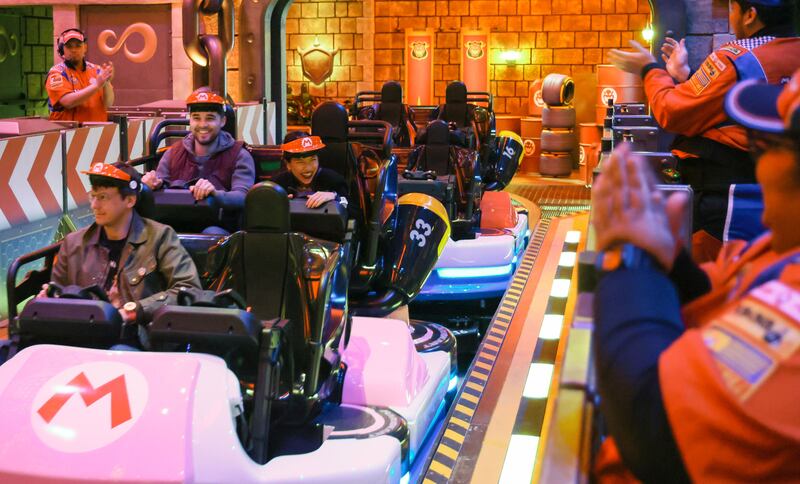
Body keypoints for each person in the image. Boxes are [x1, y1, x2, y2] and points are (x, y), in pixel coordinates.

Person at [590, 70, 800, 482]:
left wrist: (627, 256)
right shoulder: (776, 249)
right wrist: (673, 264)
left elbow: (653, 423)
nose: (756, 167)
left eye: (765, 146)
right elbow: (721, 298)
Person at [607, 0, 800, 259]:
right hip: (779, 199)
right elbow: (727, 104)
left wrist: (650, 69)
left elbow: (671, 111)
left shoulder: (736, 58)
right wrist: (688, 77)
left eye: (732, 8)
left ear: (750, 15)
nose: (730, 16)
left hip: (728, 203)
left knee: (720, 274)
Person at [39, 162, 201, 333]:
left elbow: (189, 289)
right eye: (92, 196)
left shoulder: (161, 237)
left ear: (130, 200)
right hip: (80, 333)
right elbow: (58, 292)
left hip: (134, 336)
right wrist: (50, 297)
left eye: (103, 197)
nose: (94, 205)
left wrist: (134, 311)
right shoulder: (73, 243)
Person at [142, 88, 256, 234]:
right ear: (190, 120)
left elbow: (242, 196)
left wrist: (215, 194)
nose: (202, 125)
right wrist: (150, 186)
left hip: (219, 226)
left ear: (222, 121)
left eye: (210, 118)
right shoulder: (173, 153)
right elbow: (159, 188)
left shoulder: (239, 155)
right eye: (196, 118)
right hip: (175, 222)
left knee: (212, 233)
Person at [45, 28, 115, 122]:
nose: (74, 50)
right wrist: (96, 85)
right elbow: (67, 102)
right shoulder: (56, 73)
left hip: (98, 129)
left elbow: (109, 103)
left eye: (78, 46)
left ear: (85, 48)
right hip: (69, 130)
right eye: (69, 46)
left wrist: (106, 82)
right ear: (62, 50)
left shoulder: (97, 70)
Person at [272, 131, 348, 208]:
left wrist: (335, 197)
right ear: (288, 164)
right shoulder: (276, 186)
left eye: (313, 159)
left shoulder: (334, 181)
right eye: (300, 162)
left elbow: (352, 209)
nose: (308, 168)